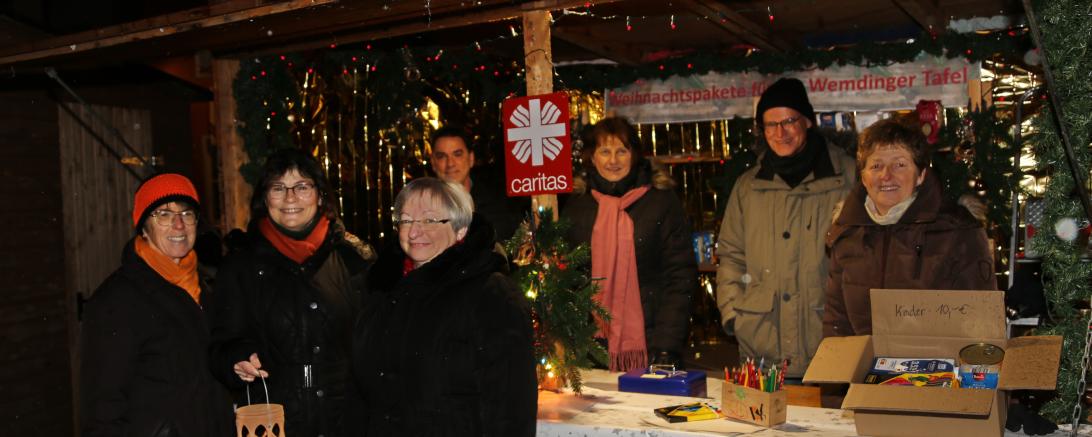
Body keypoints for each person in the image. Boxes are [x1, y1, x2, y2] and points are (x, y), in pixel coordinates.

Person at [351, 177, 537, 436]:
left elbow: (509, 407)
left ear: (461, 230)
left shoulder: (490, 293)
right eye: (406, 220)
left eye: (429, 220)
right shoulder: (382, 289)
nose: (414, 232)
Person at [210, 148, 373, 437]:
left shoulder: (353, 259)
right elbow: (219, 344)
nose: (290, 198)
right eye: (278, 188)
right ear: (264, 198)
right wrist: (236, 359)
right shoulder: (240, 267)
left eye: (302, 186)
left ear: (321, 195)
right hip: (276, 424)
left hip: (346, 423)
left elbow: (377, 342)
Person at [715, 78, 856, 378]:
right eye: (770, 125)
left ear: (807, 121)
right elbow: (731, 256)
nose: (780, 133)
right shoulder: (748, 187)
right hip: (762, 346)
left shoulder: (848, 177)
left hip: (829, 342)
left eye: (789, 121)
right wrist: (733, 315)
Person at [80, 173, 232, 437]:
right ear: (143, 227)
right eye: (163, 214)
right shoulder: (118, 299)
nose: (178, 224)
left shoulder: (205, 288)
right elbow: (102, 407)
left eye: (186, 214)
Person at [824, 118, 995, 336]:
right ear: (864, 177)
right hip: (866, 368)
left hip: (939, 367)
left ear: (921, 175)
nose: (886, 175)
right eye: (876, 165)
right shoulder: (846, 234)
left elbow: (981, 320)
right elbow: (836, 321)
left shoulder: (958, 231)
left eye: (899, 164)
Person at [562, 117, 696, 370]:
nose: (613, 161)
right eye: (605, 151)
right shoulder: (576, 206)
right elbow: (569, 280)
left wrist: (667, 344)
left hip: (652, 345)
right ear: (592, 157)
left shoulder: (661, 201)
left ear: (634, 155)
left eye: (621, 151)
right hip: (590, 347)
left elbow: (680, 275)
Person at [430, 125, 528, 242]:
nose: (450, 163)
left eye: (457, 154)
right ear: (433, 163)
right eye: (442, 156)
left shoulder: (500, 205)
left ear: (471, 158)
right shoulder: (420, 207)